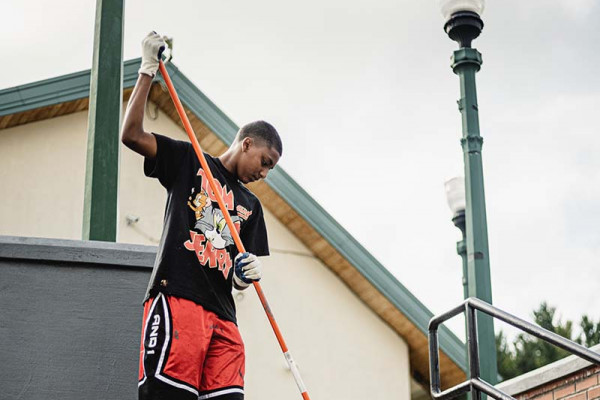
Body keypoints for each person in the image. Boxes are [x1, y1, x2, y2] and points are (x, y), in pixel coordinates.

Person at [121, 31, 283, 400]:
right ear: (246, 144)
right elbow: (131, 135)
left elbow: (238, 273)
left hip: (224, 317)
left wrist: (243, 278)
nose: (265, 173)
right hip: (178, 298)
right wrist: (148, 70)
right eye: (265, 161)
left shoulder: (251, 206)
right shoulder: (190, 161)